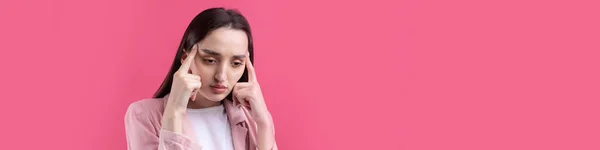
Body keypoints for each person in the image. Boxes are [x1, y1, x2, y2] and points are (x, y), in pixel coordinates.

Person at [124, 7, 277, 150]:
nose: (221, 76)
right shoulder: (143, 115)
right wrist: (174, 113)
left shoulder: (250, 118)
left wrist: (264, 125)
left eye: (236, 63)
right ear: (186, 57)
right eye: (210, 60)